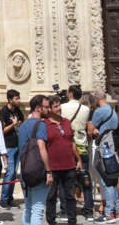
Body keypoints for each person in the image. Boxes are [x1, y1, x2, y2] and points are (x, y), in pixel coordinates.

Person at [16, 95, 52, 225]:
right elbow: (42, 147)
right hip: (38, 172)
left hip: (25, 172)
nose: (49, 110)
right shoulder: (41, 125)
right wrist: (48, 172)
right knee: (38, 210)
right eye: (46, 107)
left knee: (28, 208)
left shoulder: (24, 125)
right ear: (38, 108)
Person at [88, 91, 119, 224]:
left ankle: (108, 213)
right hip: (112, 148)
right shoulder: (113, 111)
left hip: (104, 148)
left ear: (96, 99)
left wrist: (94, 131)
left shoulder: (99, 112)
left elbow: (90, 131)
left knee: (106, 180)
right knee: (112, 178)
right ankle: (117, 211)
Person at [45, 96, 78, 225]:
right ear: (50, 109)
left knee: (70, 196)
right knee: (51, 196)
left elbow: (72, 142)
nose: (59, 109)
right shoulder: (45, 124)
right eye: (56, 106)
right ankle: (51, 221)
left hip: (69, 166)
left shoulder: (67, 122)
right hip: (53, 167)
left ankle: (72, 221)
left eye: (59, 106)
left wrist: (78, 159)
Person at [63, 86, 93, 219]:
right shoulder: (86, 109)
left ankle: (65, 210)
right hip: (82, 146)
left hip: (68, 146)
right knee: (85, 179)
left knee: (66, 180)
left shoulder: (63, 107)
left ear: (70, 94)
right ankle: (89, 211)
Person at [0, 91, 26, 208]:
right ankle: (3, 200)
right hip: (8, 146)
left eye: (19, 98)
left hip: (18, 144)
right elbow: (1, 131)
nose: (19, 100)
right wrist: (13, 124)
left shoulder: (17, 111)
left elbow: (22, 122)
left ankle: (10, 198)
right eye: (16, 98)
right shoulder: (3, 112)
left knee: (14, 173)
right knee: (9, 173)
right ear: (10, 100)